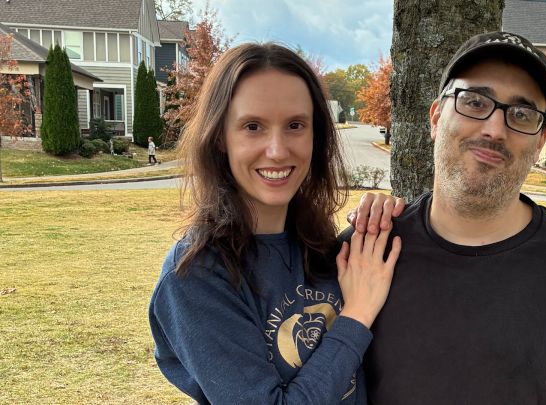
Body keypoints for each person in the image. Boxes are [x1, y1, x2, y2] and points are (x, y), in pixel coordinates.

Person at [347, 32, 546, 405]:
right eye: (474, 102)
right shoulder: (367, 250)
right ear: (436, 117)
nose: (494, 130)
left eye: (521, 114)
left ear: (541, 140)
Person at [148, 43, 402, 404]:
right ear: (220, 136)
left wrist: (378, 220)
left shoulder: (323, 250)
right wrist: (356, 315)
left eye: (295, 125)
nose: (278, 150)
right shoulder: (195, 277)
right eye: (253, 127)